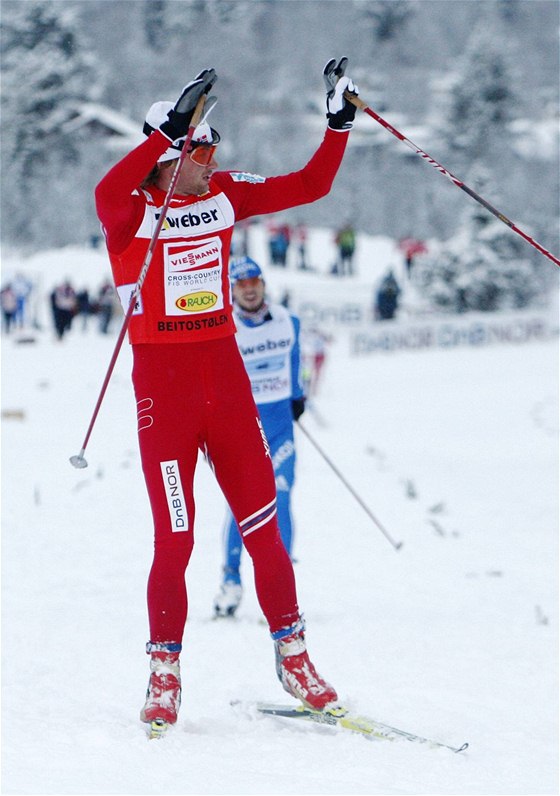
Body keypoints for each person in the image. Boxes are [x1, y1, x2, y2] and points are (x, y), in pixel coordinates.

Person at [94, 59, 359, 730]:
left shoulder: (225, 195)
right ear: (169, 153)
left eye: (214, 146)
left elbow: (311, 184)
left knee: (265, 530)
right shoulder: (131, 213)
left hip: (228, 389)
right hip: (166, 398)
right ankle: (164, 672)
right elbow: (106, 186)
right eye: (202, 146)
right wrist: (166, 136)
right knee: (175, 541)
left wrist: (338, 125)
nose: (214, 156)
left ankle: (294, 657)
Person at [214, 256, 305, 618]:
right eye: (241, 284)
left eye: (254, 281)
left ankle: (282, 583)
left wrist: (298, 398)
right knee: (243, 506)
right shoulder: (224, 326)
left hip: (281, 420)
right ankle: (231, 580)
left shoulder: (287, 321)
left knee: (281, 497)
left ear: (263, 284)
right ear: (232, 290)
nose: (249, 289)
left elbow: (294, 361)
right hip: (243, 425)